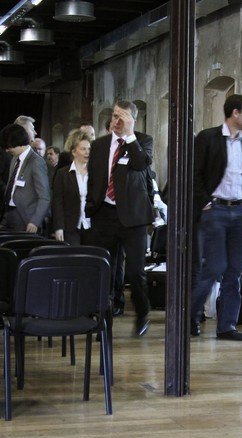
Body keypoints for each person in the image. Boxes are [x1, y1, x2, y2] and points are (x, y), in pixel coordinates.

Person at [190, 94, 242, 340]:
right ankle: (189, 315)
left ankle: (227, 326)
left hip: (240, 212)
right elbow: (195, 173)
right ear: (235, 113)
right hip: (216, 211)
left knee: (234, 271)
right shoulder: (208, 138)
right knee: (214, 267)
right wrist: (205, 202)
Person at [86, 100, 154, 337]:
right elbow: (94, 178)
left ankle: (142, 313)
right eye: (115, 116)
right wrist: (90, 207)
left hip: (133, 217)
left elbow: (141, 164)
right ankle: (103, 321)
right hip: (104, 214)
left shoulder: (143, 141)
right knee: (104, 270)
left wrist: (130, 135)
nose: (117, 121)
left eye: (122, 117)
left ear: (132, 119)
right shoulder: (99, 145)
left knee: (135, 272)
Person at [1, 123, 50, 233]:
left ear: (19, 143)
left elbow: (44, 197)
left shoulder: (36, 161)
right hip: (9, 214)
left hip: (27, 220)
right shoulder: (14, 159)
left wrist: (35, 221)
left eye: (9, 147)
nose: (7, 150)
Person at [52, 129, 94, 245]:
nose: (87, 152)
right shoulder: (62, 174)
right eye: (83, 149)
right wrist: (58, 227)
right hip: (70, 227)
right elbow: (57, 202)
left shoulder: (96, 172)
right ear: (74, 152)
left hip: (92, 227)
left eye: (89, 149)